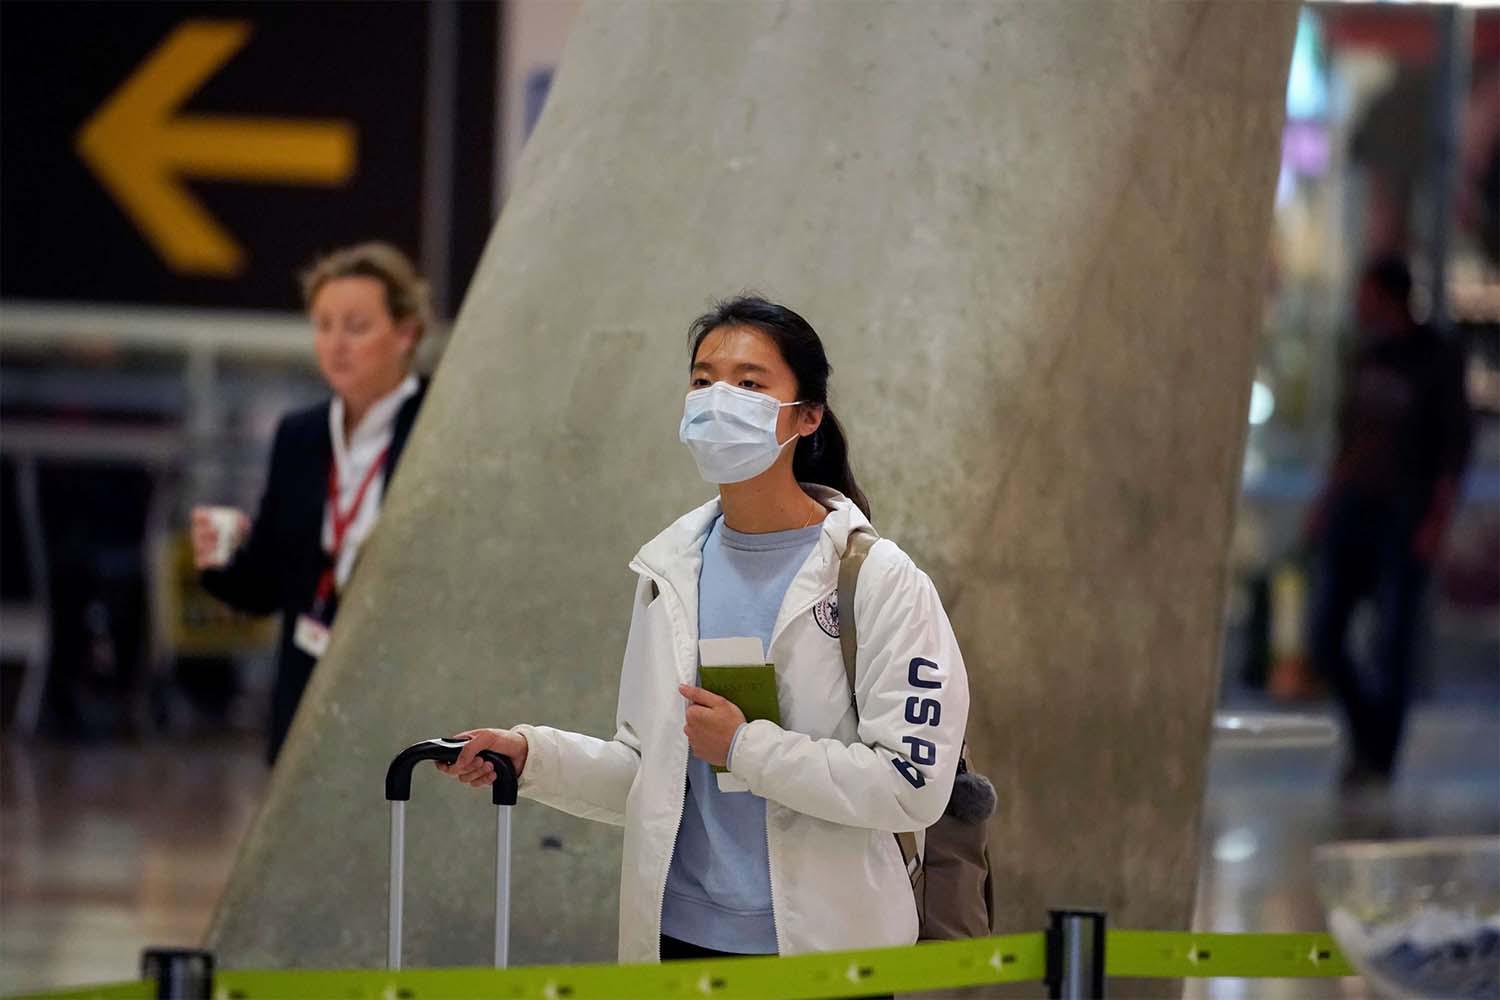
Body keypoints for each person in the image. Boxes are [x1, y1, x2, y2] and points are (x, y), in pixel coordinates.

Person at [439, 296, 970, 970]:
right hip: (679, 945)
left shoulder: (877, 579)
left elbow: (911, 784)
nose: (720, 399)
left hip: (828, 955)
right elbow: (653, 771)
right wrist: (529, 757)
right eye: (702, 380)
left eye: (750, 383)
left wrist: (746, 748)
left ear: (807, 417)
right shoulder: (669, 571)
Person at [191, 242, 432, 764]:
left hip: (402, 685)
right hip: (307, 685)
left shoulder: (438, 426)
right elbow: (270, 584)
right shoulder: (300, 435)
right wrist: (222, 556)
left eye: (356, 326)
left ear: (406, 332)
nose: (335, 344)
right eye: (323, 325)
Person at [1304, 255, 1473, 787]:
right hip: (1357, 506)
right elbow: (1347, 440)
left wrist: (1435, 522)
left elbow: (1451, 451)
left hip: (1404, 512)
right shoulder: (1366, 355)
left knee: (1392, 641)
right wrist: (1327, 502)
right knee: (1324, 632)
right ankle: (1366, 733)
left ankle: (1380, 754)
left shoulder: (1434, 359)